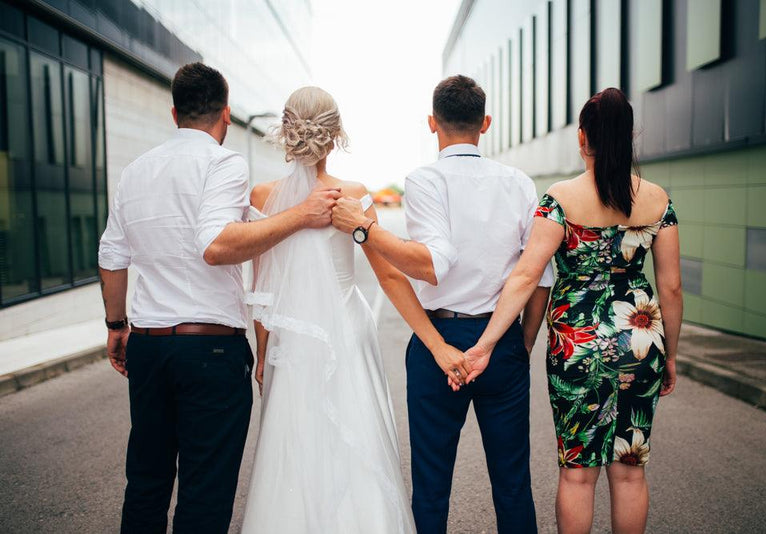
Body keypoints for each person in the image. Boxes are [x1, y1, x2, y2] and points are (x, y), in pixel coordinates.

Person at [97, 63, 340, 534]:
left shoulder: (135, 171)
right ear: (226, 114)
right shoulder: (223, 163)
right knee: (204, 494)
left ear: (174, 113)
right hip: (209, 350)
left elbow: (112, 255)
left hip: (147, 346)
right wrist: (302, 214)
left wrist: (115, 326)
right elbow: (216, 245)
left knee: (145, 483)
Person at [332, 75, 554, 534]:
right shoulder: (517, 183)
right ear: (485, 123)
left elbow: (433, 262)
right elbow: (538, 280)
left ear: (432, 123)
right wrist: (519, 344)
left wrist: (366, 230)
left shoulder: (425, 180)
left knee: (431, 485)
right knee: (513, 483)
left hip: (441, 341)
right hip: (502, 339)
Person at [465, 88, 683, 534]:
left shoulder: (560, 198)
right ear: (628, 138)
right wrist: (671, 355)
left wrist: (487, 343)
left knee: (578, 472)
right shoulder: (658, 200)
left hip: (577, 344)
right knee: (629, 468)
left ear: (583, 138)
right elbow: (672, 288)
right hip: (640, 340)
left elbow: (526, 276)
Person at [241, 86, 426, 533]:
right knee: (353, 435)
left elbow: (262, 288)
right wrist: (432, 338)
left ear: (287, 132)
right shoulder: (354, 193)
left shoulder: (264, 196)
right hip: (346, 326)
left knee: (296, 440)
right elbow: (387, 275)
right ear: (335, 133)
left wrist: (263, 354)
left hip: (291, 335)